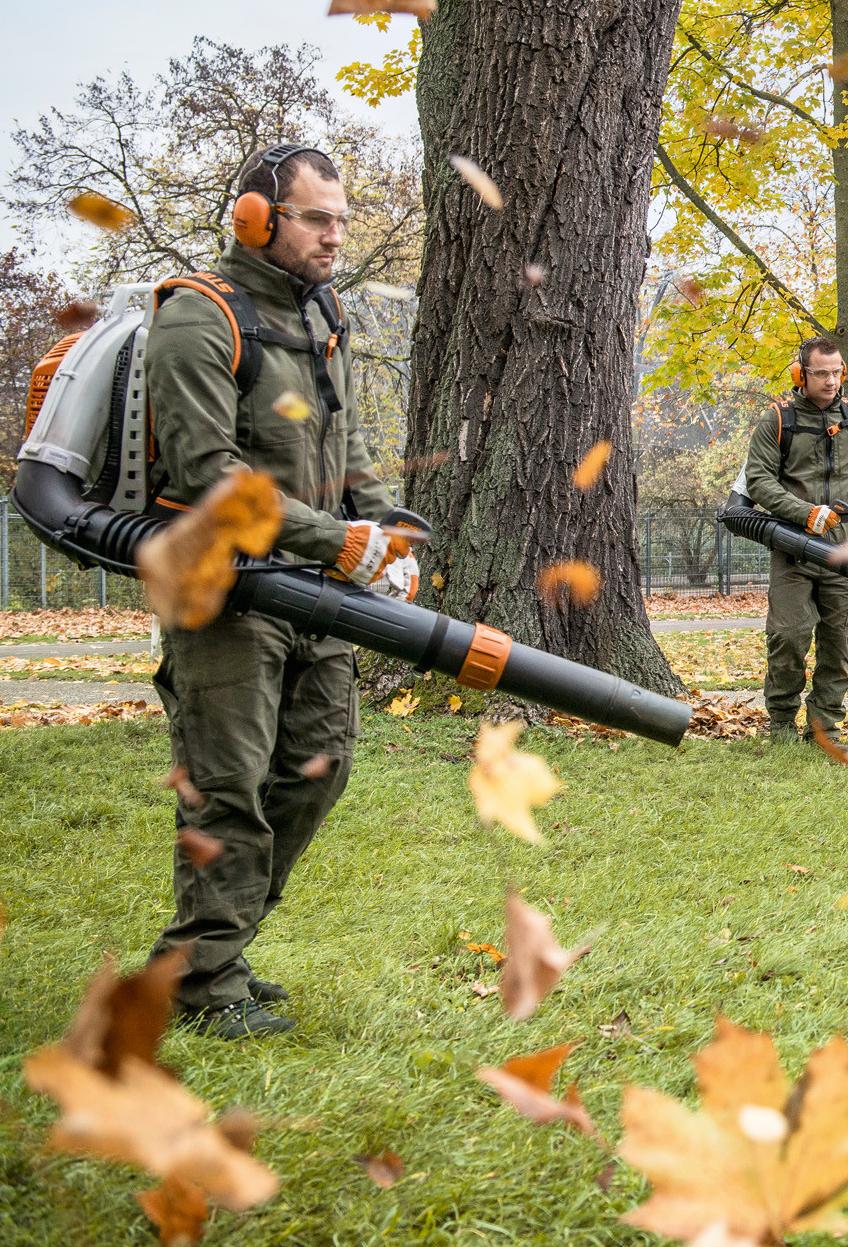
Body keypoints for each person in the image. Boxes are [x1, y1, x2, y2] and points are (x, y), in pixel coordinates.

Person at [145, 143, 417, 1039]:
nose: (335, 236)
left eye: (341, 219)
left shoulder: (322, 313)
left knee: (317, 769)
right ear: (256, 219)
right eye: (316, 218)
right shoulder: (198, 316)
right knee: (229, 789)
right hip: (226, 597)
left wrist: (384, 526)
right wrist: (337, 541)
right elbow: (209, 475)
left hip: (315, 595)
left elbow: (345, 447)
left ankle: (211, 953)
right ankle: (205, 979)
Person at [743, 336, 848, 744]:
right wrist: (804, 512)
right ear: (800, 374)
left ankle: (824, 728)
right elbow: (758, 480)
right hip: (794, 546)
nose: (831, 381)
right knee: (788, 635)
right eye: (821, 373)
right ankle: (781, 722)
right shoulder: (777, 420)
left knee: (838, 643)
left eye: (837, 372)